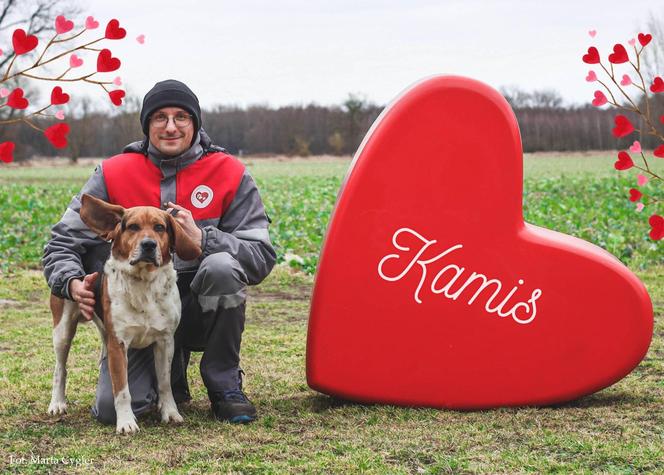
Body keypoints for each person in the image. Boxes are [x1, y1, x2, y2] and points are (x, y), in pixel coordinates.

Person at [42, 79, 276, 424]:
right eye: (159, 118)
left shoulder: (230, 173)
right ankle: (167, 378)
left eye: (181, 117)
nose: (170, 126)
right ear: (146, 124)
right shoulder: (112, 172)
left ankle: (224, 385)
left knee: (223, 267)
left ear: (195, 123)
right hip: (133, 308)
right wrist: (69, 283)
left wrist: (204, 239)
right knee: (112, 412)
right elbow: (61, 243)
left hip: (196, 307)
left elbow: (261, 257)